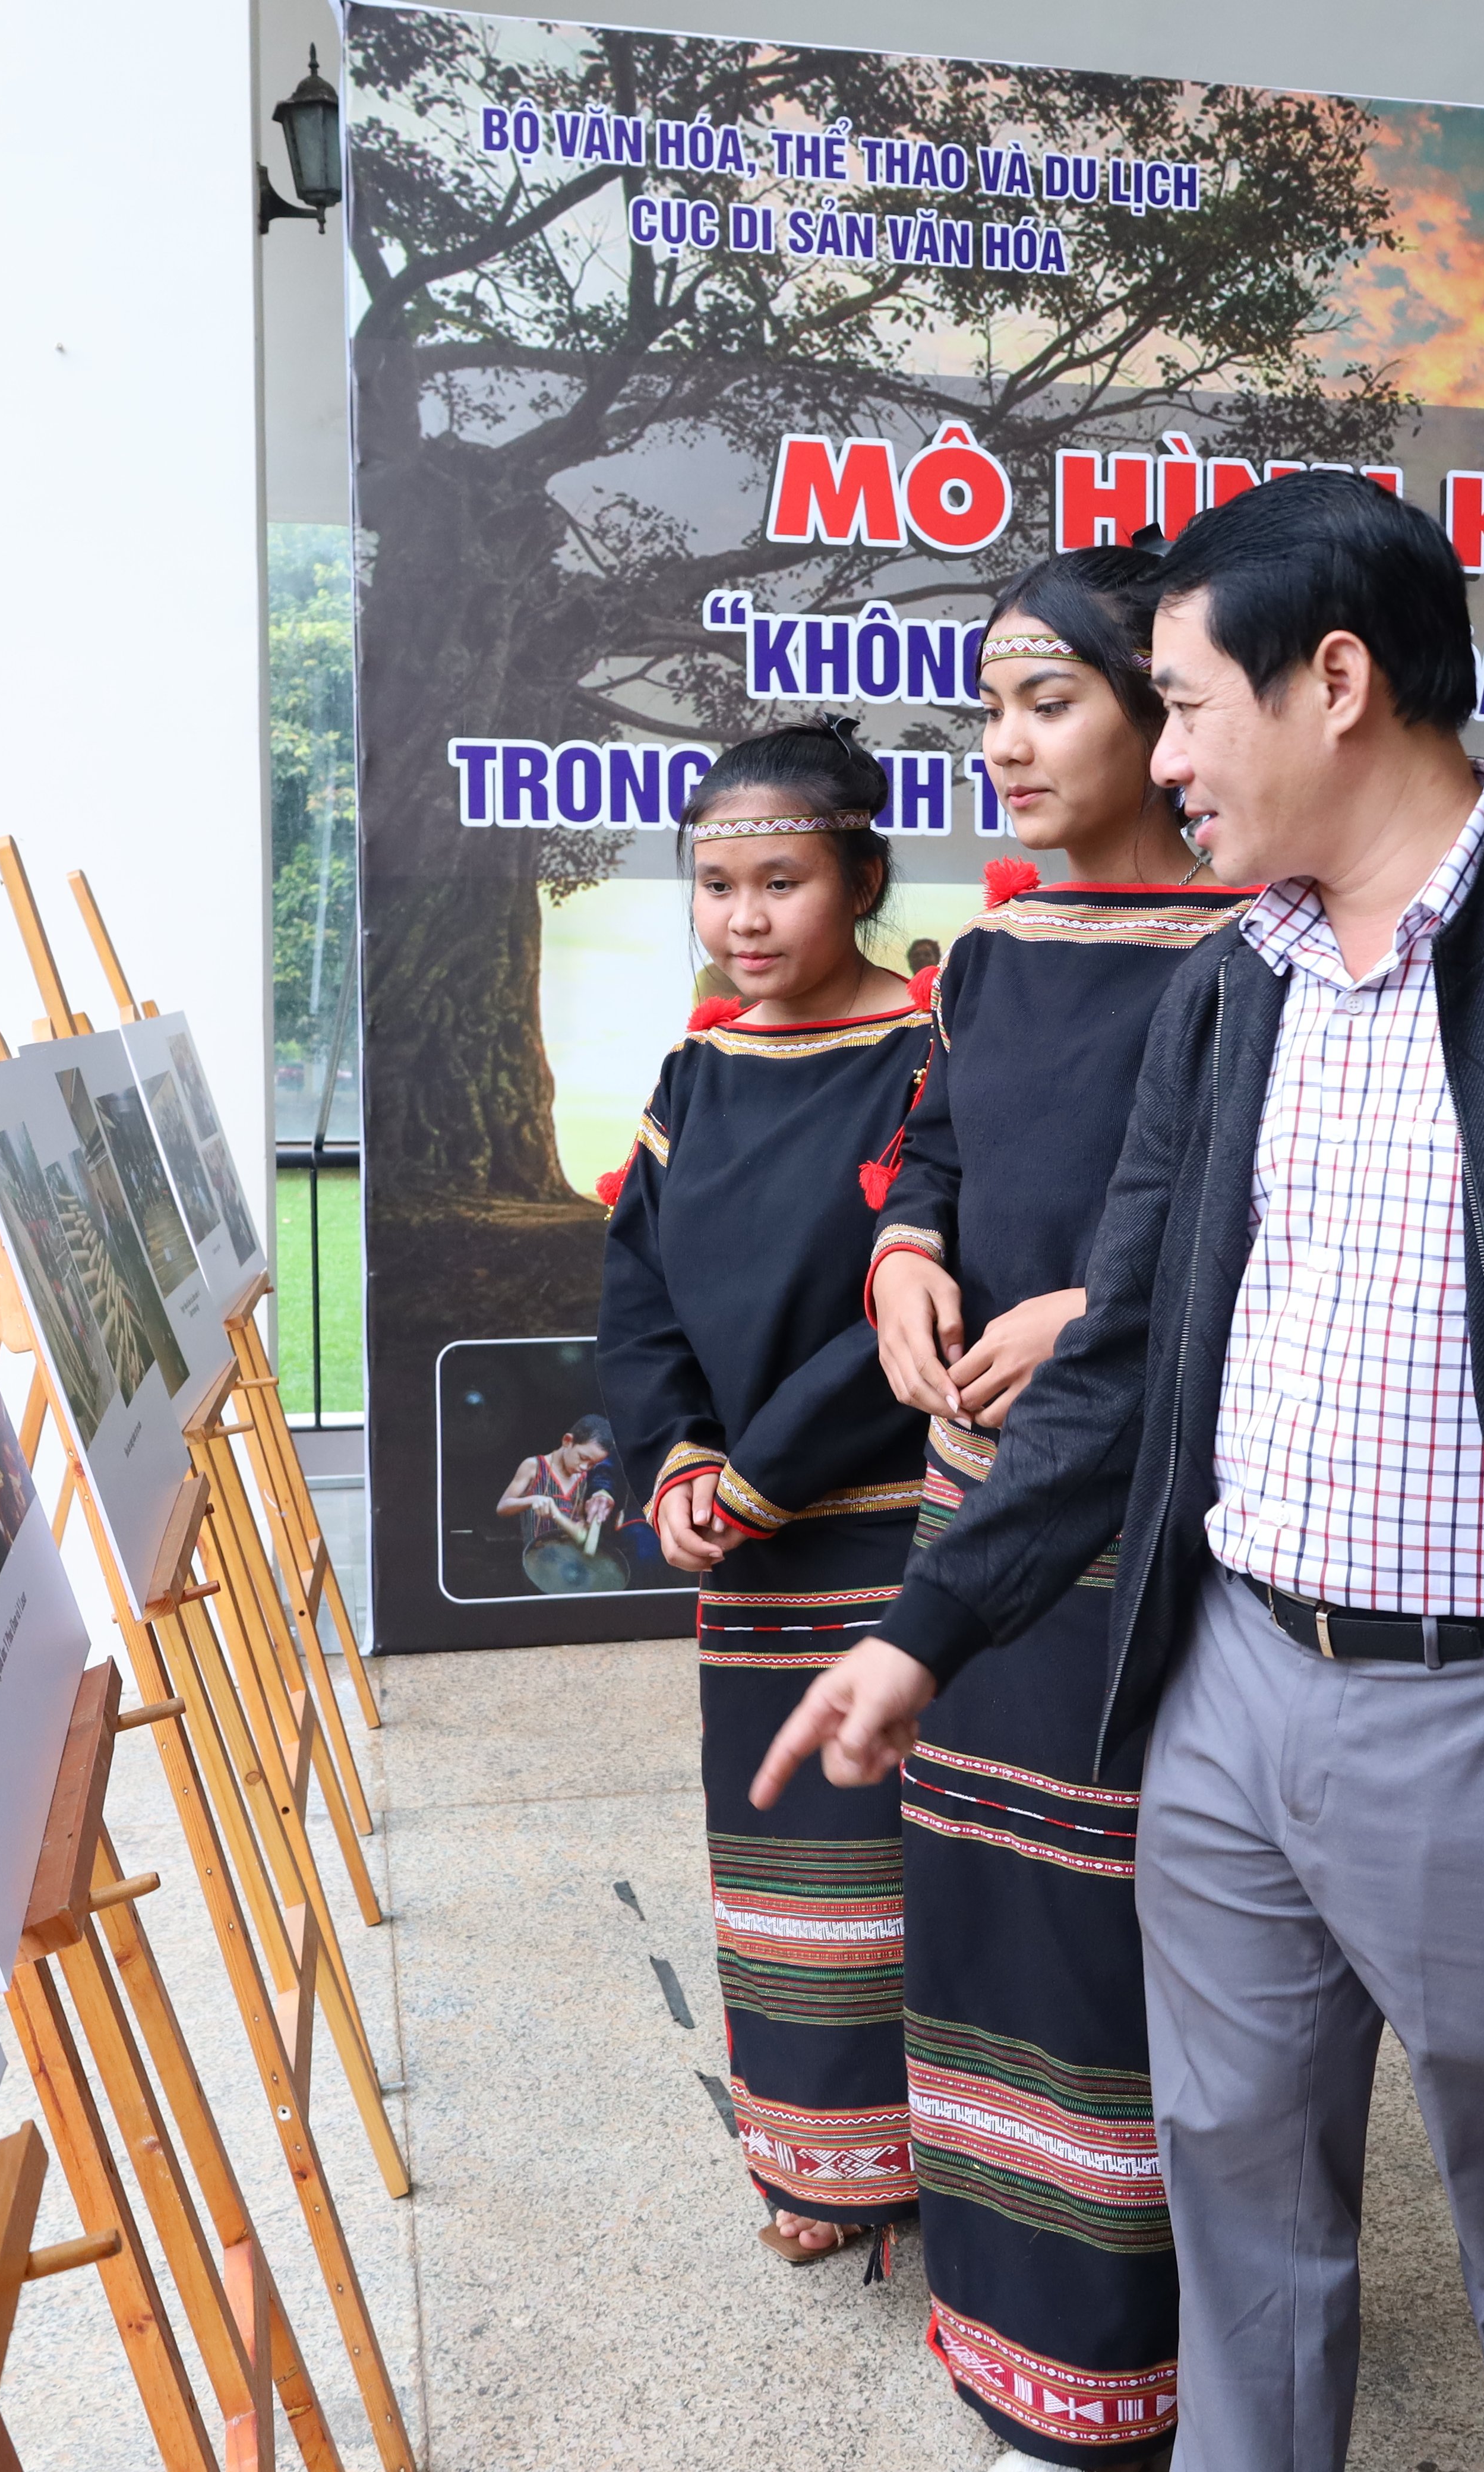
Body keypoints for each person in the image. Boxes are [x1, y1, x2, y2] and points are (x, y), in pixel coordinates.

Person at [756, 468, 1484, 2470]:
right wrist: (930, 1630)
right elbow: (1134, 1364)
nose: (1162, 759)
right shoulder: (1231, 990)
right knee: (1238, 2212)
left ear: (1337, 678)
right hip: (1230, 1695)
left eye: (1181, 704)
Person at [862, 544, 1240, 2467]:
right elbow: (932, 1149)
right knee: (984, 1905)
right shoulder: (998, 953)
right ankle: (1005, 2329)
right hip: (971, 1512)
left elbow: (1277, 1218)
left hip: (1142, 1534)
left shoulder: (1260, 954)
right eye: (987, 707)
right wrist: (910, 1261)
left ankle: (1136, 2364)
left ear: (1157, 710)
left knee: (1121, 1930)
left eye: (1049, 700)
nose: (1002, 745)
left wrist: (1101, 1311)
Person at [596, 717, 932, 2264]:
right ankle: (823, 2165)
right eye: (715, 884)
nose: (744, 916)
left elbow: (918, 1305)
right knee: (785, 1863)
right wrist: (674, 1460)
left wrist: (765, 1474)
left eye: (779, 880)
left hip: (896, 1542)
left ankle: (958, 2156)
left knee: (913, 1868)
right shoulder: (696, 1070)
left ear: (859, 874)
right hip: (745, 1551)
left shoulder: (932, 1061)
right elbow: (639, 1292)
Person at [498, 1415, 629, 1593]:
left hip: (566, 1566)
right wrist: (532, 1499)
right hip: (535, 1564)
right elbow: (503, 1507)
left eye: (592, 1465)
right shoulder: (534, 1467)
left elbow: (579, 1522)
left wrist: (587, 1523)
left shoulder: (582, 1479)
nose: (585, 1467)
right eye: (583, 1458)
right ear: (568, 1441)